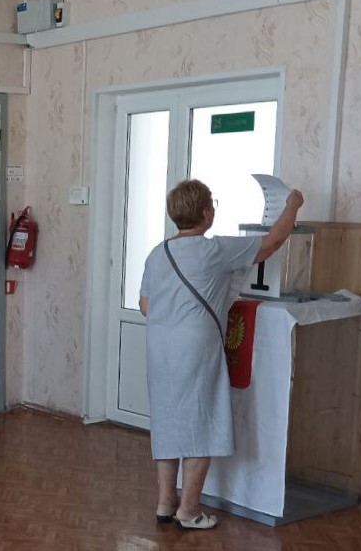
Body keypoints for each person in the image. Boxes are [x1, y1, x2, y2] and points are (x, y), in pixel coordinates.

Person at [138, 179, 303, 529]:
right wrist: (293, 205)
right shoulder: (214, 250)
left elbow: (145, 306)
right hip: (195, 345)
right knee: (201, 421)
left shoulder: (157, 253)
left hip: (158, 346)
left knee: (167, 422)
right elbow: (272, 243)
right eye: (212, 204)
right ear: (205, 213)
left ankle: (166, 503)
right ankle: (189, 510)